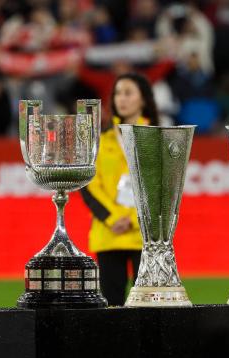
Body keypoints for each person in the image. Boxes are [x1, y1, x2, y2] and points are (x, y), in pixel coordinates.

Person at [81, 73, 159, 306]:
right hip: (109, 234)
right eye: (117, 93)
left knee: (147, 306)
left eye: (128, 93)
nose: (121, 99)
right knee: (111, 306)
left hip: (146, 236)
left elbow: (161, 187)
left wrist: (134, 220)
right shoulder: (99, 141)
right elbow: (90, 185)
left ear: (143, 99)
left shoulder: (156, 139)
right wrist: (114, 217)